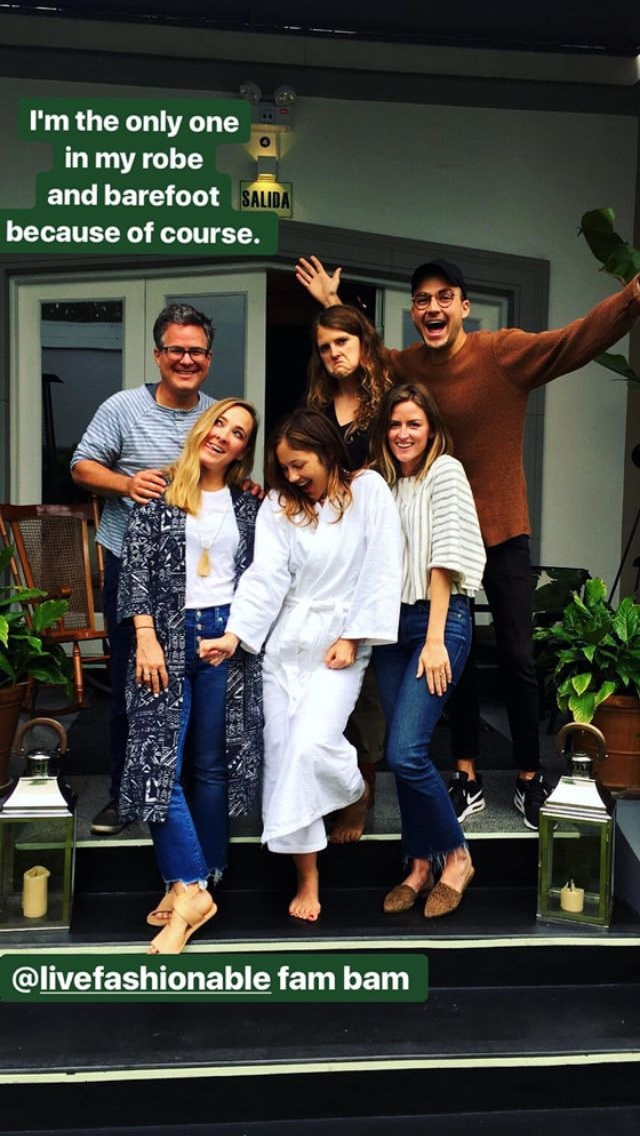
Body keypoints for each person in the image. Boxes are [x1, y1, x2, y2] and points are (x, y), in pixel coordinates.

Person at [296, 254, 640, 829]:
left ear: (463, 306)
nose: (432, 308)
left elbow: (575, 340)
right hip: (431, 539)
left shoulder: (502, 351)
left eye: (443, 297)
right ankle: (467, 774)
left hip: (500, 529)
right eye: (422, 300)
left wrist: (631, 296)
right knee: (452, 659)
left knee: (516, 656)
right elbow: (359, 349)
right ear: (414, 312)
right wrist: (332, 302)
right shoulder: (407, 364)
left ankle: (529, 776)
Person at [200, 409, 402, 922]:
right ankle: (307, 875)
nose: (291, 477)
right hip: (283, 644)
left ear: (327, 451)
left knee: (312, 745)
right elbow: (266, 576)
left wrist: (353, 636)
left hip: (339, 642)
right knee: (282, 752)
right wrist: (236, 635)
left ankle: (353, 787)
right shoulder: (280, 504)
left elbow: (383, 567)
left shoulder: (368, 491)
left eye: (299, 465)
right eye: (284, 468)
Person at [117, 398, 262, 954]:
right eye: (219, 423)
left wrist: (238, 635)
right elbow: (135, 571)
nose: (224, 435)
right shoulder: (158, 494)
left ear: (244, 450)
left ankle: (203, 879)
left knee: (210, 764)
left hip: (225, 635)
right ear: (203, 427)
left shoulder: (249, 506)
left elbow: (261, 578)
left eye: (238, 432)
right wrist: (145, 636)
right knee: (158, 765)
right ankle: (190, 884)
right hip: (167, 634)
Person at [71, 303, 216, 835]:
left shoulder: (216, 416)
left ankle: (180, 795)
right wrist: (126, 484)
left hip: (199, 575)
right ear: (158, 355)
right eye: (176, 350)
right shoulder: (123, 407)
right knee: (134, 683)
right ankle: (123, 795)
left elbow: (231, 475)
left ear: (208, 358)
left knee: (190, 683)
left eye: (196, 351)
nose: (186, 359)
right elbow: (81, 465)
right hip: (130, 565)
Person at [370, 383, 486, 917]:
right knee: (403, 755)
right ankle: (418, 865)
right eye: (395, 424)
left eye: (413, 423)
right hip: (390, 629)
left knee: (406, 752)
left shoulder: (446, 472)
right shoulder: (386, 484)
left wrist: (436, 638)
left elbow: (445, 558)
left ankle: (457, 858)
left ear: (432, 428)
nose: (403, 433)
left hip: (437, 621)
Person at [306, 304, 395, 839]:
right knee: (323, 674)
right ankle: (326, 786)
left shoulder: (388, 404)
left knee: (365, 684)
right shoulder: (316, 406)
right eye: (325, 346)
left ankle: (361, 792)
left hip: (373, 547)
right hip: (325, 549)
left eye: (342, 342)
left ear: (363, 343)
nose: (334, 353)